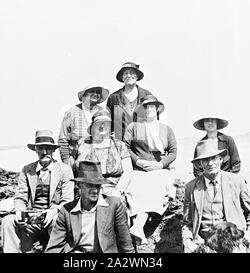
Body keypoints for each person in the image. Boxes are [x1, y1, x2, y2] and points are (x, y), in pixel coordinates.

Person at [1, 130, 74, 253]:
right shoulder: (27, 170)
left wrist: (53, 211)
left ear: (54, 150)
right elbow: (21, 197)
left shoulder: (65, 170)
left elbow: (68, 200)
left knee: (58, 220)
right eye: (40, 148)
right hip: (31, 218)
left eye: (48, 148)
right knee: (7, 221)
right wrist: (19, 210)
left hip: (52, 217)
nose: (44, 152)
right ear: (36, 150)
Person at [182, 139, 250, 253]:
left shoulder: (237, 181)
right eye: (205, 160)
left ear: (221, 159)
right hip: (203, 243)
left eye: (214, 158)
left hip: (234, 241)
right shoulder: (191, 187)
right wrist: (187, 241)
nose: (211, 163)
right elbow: (186, 223)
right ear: (200, 164)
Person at [45, 161, 134, 253]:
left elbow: (126, 243)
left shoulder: (113, 205)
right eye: (89, 185)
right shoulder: (67, 210)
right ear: (79, 185)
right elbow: (53, 247)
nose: (95, 190)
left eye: (98, 186)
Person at [123, 95, 177, 244]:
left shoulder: (166, 129)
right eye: (146, 107)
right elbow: (125, 147)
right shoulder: (133, 127)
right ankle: (136, 227)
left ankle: (138, 226)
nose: (149, 110)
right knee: (137, 188)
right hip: (139, 168)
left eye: (153, 106)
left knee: (157, 187)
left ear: (157, 109)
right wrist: (138, 161)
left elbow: (173, 152)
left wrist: (160, 165)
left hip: (159, 169)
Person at [74, 109, 133, 200]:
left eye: (106, 123)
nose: (102, 126)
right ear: (92, 127)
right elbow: (71, 170)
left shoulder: (119, 145)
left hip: (112, 190)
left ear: (110, 127)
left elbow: (128, 171)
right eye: (98, 123)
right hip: (85, 191)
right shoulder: (81, 144)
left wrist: (117, 191)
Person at [58, 86, 109, 166]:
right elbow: (63, 139)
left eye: (98, 92)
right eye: (92, 91)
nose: (95, 94)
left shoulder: (104, 112)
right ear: (84, 95)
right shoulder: (71, 112)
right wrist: (66, 163)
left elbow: (110, 136)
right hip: (76, 161)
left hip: (101, 160)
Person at [106, 62, 152, 141]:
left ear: (137, 77)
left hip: (142, 144)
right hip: (120, 143)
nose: (128, 75)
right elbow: (108, 121)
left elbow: (155, 120)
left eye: (132, 73)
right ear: (122, 77)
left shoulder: (147, 95)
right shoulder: (113, 97)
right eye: (125, 73)